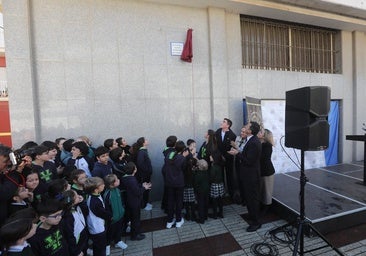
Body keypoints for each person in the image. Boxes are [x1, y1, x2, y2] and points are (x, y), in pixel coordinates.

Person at [228, 121, 262, 232]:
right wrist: (238, 152)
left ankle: (256, 222)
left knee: (252, 199)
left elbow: (249, 161)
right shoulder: (250, 140)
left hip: (251, 177)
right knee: (248, 198)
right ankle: (252, 216)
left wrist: (237, 153)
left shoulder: (254, 142)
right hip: (247, 175)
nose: (244, 127)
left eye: (247, 127)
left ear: (250, 131)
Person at [120, 162, 151, 241]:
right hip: (134, 202)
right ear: (134, 170)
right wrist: (144, 188)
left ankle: (135, 232)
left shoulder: (124, 178)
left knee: (132, 218)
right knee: (135, 219)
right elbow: (137, 192)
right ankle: (135, 235)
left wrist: (141, 185)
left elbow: (132, 188)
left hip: (128, 201)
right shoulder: (132, 180)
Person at [165, 141, 189, 229]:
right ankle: (178, 221)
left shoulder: (169, 155)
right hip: (179, 183)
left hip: (169, 182)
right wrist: (184, 156)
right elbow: (184, 168)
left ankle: (169, 221)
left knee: (170, 201)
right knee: (179, 202)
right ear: (183, 149)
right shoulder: (182, 158)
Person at [84, 177, 111, 256]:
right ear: (96, 190)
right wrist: (111, 216)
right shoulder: (95, 202)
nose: (104, 185)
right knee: (101, 248)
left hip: (96, 226)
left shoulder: (93, 195)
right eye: (102, 185)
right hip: (97, 228)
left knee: (98, 246)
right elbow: (102, 213)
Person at [103, 174, 128, 251]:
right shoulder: (107, 195)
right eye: (116, 180)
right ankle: (107, 245)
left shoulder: (117, 190)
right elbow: (106, 208)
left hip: (120, 216)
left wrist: (122, 210)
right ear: (111, 185)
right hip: (112, 219)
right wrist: (111, 217)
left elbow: (121, 201)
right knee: (110, 232)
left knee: (119, 230)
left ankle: (118, 241)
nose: (118, 180)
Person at [61, 189, 89, 256]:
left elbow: (86, 212)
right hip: (77, 242)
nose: (79, 196)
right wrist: (76, 251)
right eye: (76, 196)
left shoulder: (77, 206)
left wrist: (82, 202)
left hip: (83, 236)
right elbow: (69, 236)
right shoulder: (68, 216)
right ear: (71, 202)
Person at [215, 118, 236, 199]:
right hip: (219, 158)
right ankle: (221, 193)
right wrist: (219, 156)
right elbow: (215, 144)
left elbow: (232, 148)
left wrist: (225, 156)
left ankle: (231, 194)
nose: (221, 122)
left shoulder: (232, 135)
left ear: (228, 125)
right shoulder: (218, 131)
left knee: (229, 176)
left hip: (228, 159)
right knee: (220, 176)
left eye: (224, 122)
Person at [258, 128, 276, 215]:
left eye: (261, 132)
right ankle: (262, 207)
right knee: (261, 191)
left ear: (264, 136)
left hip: (267, 171)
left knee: (267, 192)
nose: (259, 133)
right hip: (261, 171)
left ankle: (266, 209)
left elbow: (263, 158)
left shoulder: (267, 146)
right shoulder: (259, 143)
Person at [134, 137, 153, 210]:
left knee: (147, 189)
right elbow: (140, 164)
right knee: (144, 189)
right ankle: (143, 205)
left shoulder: (144, 151)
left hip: (146, 174)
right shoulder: (141, 152)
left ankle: (145, 202)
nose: (147, 141)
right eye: (146, 140)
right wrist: (147, 170)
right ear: (143, 143)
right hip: (144, 175)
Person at [161, 135, 177, 213]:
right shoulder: (172, 152)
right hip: (169, 171)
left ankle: (164, 205)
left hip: (165, 170)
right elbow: (172, 162)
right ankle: (168, 208)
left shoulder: (166, 150)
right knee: (170, 191)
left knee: (167, 188)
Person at [183, 139, 197, 221]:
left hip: (190, 179)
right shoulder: (186, 152)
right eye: (193, 145)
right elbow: (188, 163)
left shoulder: (190, 152)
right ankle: (189, 214)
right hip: (187, 179)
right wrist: (192, 156)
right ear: (190, 145)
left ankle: (192, 214)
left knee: (191, 198)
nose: (195, 147)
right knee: (188, 198)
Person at [194, 159, 210, 224]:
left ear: (199, 166)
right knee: (206, 203)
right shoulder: (207, 172)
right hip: (207, 190)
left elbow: (195, 183)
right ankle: (206, 216)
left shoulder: (198, 174)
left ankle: (201, 219)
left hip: (200, 192)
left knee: (201, 205)